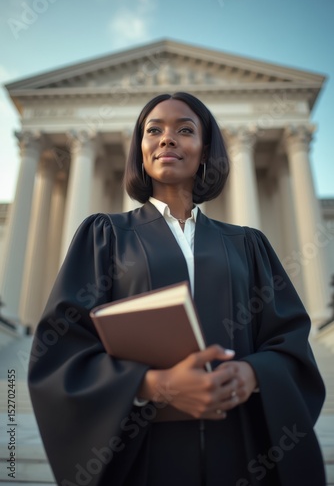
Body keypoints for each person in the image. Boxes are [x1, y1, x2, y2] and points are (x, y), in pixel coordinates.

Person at [28, 92, 326, 486]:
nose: (167, 139)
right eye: (154, 130)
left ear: (205, 151)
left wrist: (251, 375)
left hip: (240, 452)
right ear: (141, 150)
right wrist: (155, 385)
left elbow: (289, 343)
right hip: (143, 455)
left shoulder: (248, 245)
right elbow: (62, 348)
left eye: (185, 130)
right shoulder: (104, 236)